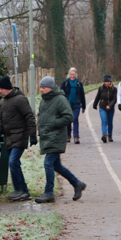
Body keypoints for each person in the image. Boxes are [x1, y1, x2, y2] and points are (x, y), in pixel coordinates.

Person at [35, 76, 87, 204]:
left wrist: (52, 123)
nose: (41, 90)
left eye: (44, 87)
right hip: (47, 136)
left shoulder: (60, 100)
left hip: (56, 137)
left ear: (51, 88)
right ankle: (77, 183)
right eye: (40, 87)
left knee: (48, 163)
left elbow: (69, 117)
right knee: (56, 165)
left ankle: (48, 192)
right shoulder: (44, 100)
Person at [0, 76, 37, 202]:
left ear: (7, 88)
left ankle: (19, 190)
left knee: (13, 162)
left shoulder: (20, 99)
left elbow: (29, 117)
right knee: (15, 164)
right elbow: (1, 120)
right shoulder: (3, 101)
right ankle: (24, 191)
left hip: (20, 136)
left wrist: (33, 135)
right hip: (9, 138)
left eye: (1, 89)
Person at [61, 68, 86, 144]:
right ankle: (68, 135)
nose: (72, 76)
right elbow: (61, 95)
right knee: (68, 120)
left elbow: (82, 95)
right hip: (67, 105)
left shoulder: (79, 84)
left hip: (77, 104)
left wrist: (84, 107)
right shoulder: (65, 84)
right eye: (71, 74)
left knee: (75, 119)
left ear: (76, 75)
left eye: (74, 74)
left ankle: (76, 136)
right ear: (69, 75)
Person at [92, 75, 117, 143]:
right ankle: (104, 135)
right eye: (106, 82)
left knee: (110, 122)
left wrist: (110, 105)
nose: (107, 83)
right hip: (102, 107)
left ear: (110, 82)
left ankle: (110, 135)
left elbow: (115, 99)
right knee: (104, 121)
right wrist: (95, 105)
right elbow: (98, 97)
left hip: (111, 108)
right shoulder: (101, 88)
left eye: (108, 82)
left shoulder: (114, 89)